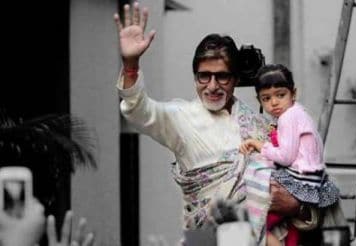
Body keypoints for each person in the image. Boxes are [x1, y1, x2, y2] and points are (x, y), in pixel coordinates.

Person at [113, 2, 318, 244]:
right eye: (204, 76)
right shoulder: (181, 117)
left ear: (236, 79)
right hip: (205, 239)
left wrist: (295, 206)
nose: (212, 86)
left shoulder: (262, 127)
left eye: (221, 76)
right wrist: (130, 65)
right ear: (195, 77)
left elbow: (304, 193)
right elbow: (137, 110)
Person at [240, 64, 341, 246]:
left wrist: (259, 145)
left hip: (298, 179)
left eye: (280, 95)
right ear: (259, 100)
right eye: (267, 98)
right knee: (289, 222)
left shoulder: (288, 117)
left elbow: (286, 157)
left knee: (257, 222)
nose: (274, 102)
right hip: (312, 179)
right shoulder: (299, 113)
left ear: (293, 94)